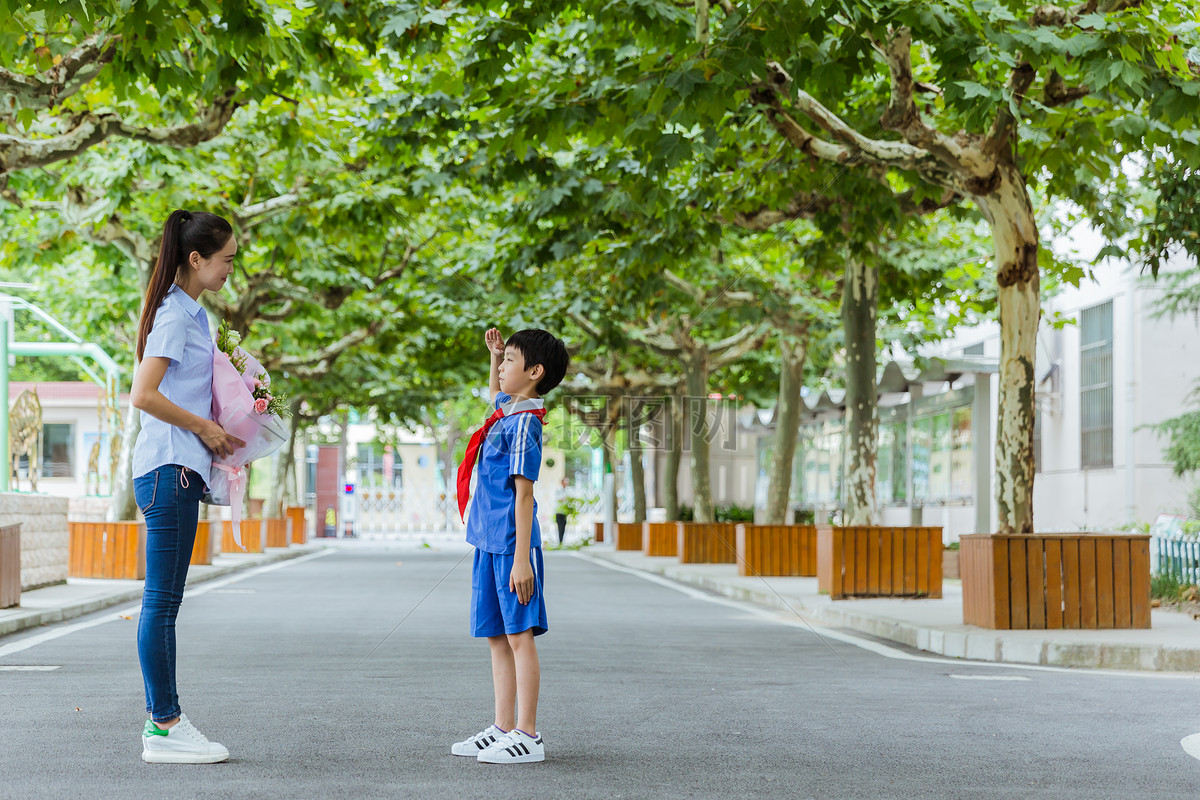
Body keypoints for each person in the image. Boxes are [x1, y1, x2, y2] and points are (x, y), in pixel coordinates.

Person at [129, 209, 244, 764]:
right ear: (196, 259)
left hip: (176, 470)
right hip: (168, 469)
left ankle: (163, 722)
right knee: (161, 603)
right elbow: (143, 394)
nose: (230, 270)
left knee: (164, 603)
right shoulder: (175, 315)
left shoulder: (190, 314)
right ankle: (165, 725)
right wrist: (204, 427)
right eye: (225, 260)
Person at [453, 327, 569, 764]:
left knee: (519, 637)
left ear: (535, 372)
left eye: (510, 363)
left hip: (511, 548)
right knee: (496, 638)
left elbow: (524, 495)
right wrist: (494, 356)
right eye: (502, 363)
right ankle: (502, 727)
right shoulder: (508, 411)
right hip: (488, 543)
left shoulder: (524, 426)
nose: (501, 370)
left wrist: (523, 561)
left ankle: (528, 734)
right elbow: (495, 391)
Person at [553, 477, 570, 545]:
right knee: (559, 525)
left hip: (564, 511)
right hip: (559, 511)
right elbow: (557, 499)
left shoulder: (567, 490)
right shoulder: (558, 490)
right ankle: (560, 540)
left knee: (563, 525)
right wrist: (563, 499)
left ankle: (562, 540)